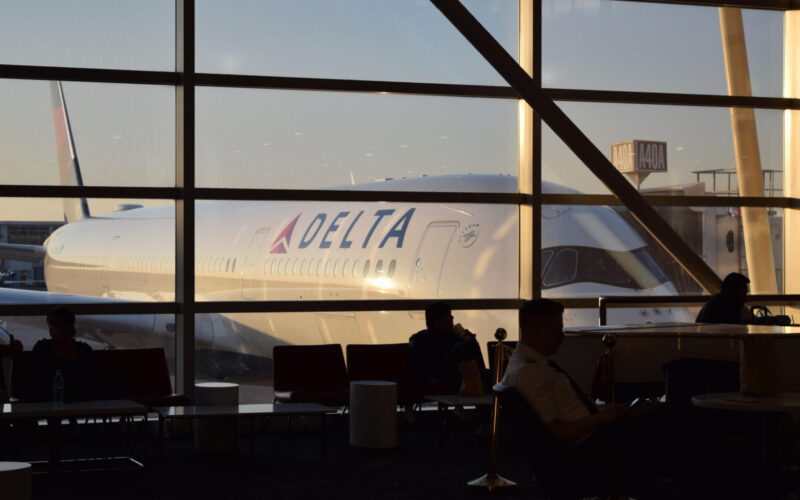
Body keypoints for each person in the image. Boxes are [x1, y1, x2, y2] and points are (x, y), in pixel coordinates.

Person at [502, 299, 736, 495]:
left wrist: (605, 412)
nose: (561, 337)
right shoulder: (532, 373)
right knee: (680, 422)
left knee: (669, 418)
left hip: (590, 437)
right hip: (591, 444)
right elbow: (562, 432)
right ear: (538, 331)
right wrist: (603, 418)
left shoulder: (520, 365)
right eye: (556, 330)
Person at [408, 301, 488, 393]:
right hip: (440, 377)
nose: (452, 317)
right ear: (437, 320)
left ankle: (480, 379)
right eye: (448, 315)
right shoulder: (420, 339)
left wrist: (473, 343)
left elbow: (474, 361)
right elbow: (417, 369)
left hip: (458, 377)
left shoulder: (453, 336)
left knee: (494, 375)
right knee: (461, 348)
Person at [31, 307, 94, 402]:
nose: (52, 328)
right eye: (50, 324)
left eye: (56, 324)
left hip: (69, 397)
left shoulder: (43, 348)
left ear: (68, 326)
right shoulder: (42, 348)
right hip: (51, 397)